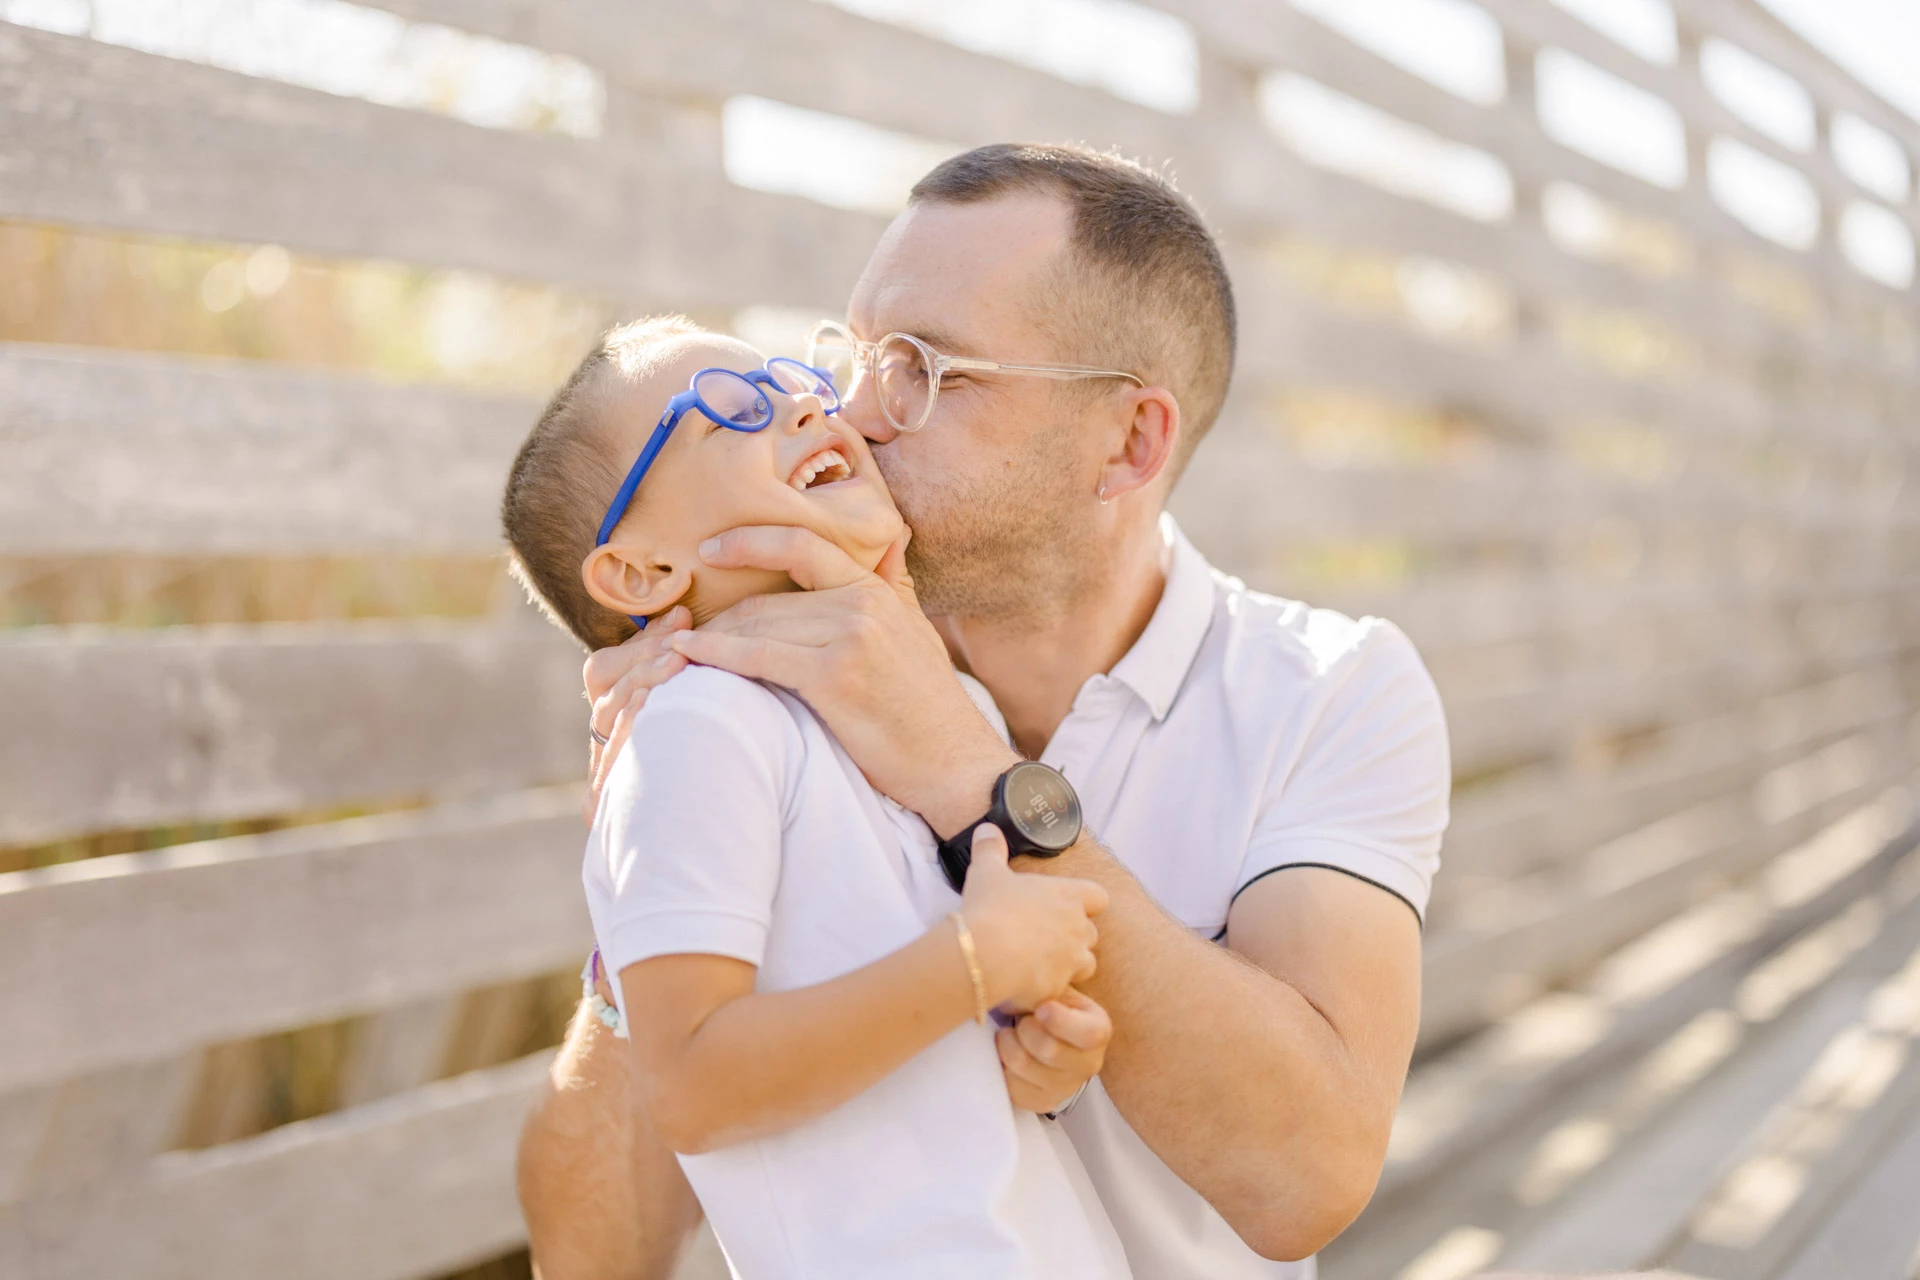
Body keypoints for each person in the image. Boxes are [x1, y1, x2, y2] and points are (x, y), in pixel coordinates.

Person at [518, 144, 1453, 1279]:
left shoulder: (1332, 689)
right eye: (851, 354)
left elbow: (1307, 1181)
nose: (850, 412)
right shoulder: (747, 707)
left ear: (1130, 441)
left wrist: (957, 760)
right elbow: (597, 1255)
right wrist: (643, 910)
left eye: (923, 366)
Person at [499, 316, 1134, 1278]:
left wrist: (1039, 1050)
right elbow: (693, 1086)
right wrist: (971, 963)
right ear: (641, 570)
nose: (806, 402)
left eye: (797, 379)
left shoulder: (933, 704)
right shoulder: (696, 725)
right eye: (731, 411)